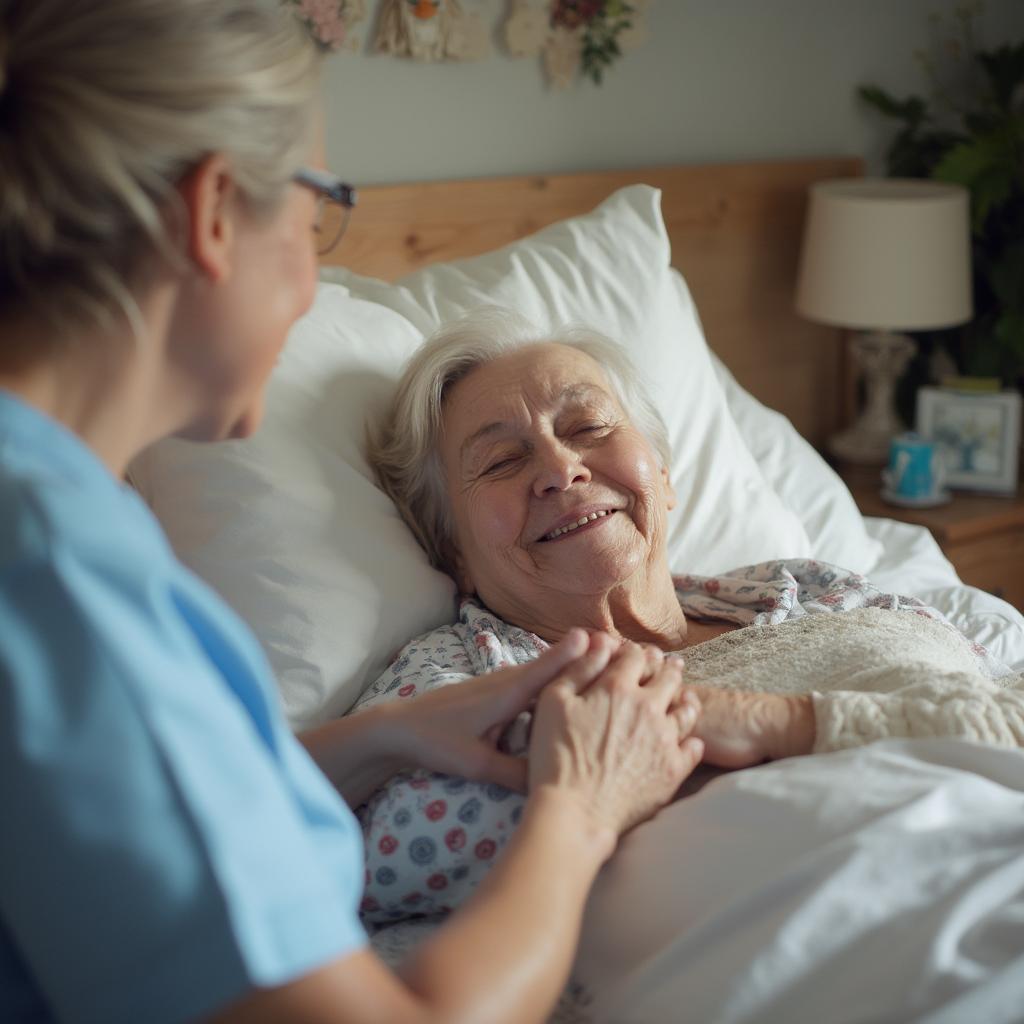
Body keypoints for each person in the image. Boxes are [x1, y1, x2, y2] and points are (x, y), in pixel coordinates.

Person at [0, 3, 707, 1022]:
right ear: (211, 215)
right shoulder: (60, 580)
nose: (308, 282)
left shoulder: (60, 521)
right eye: (316, 207)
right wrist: (582, 804)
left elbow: (117, 811)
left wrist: (381, 735)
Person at [358, 305, 1024, 922]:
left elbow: (999, 703)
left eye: (589, 427)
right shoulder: (459, 683)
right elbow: (385, 853)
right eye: (502, 460)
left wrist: (762, 728)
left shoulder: (805, 586)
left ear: (666, 475)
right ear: (454, 552)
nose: (561, 469)